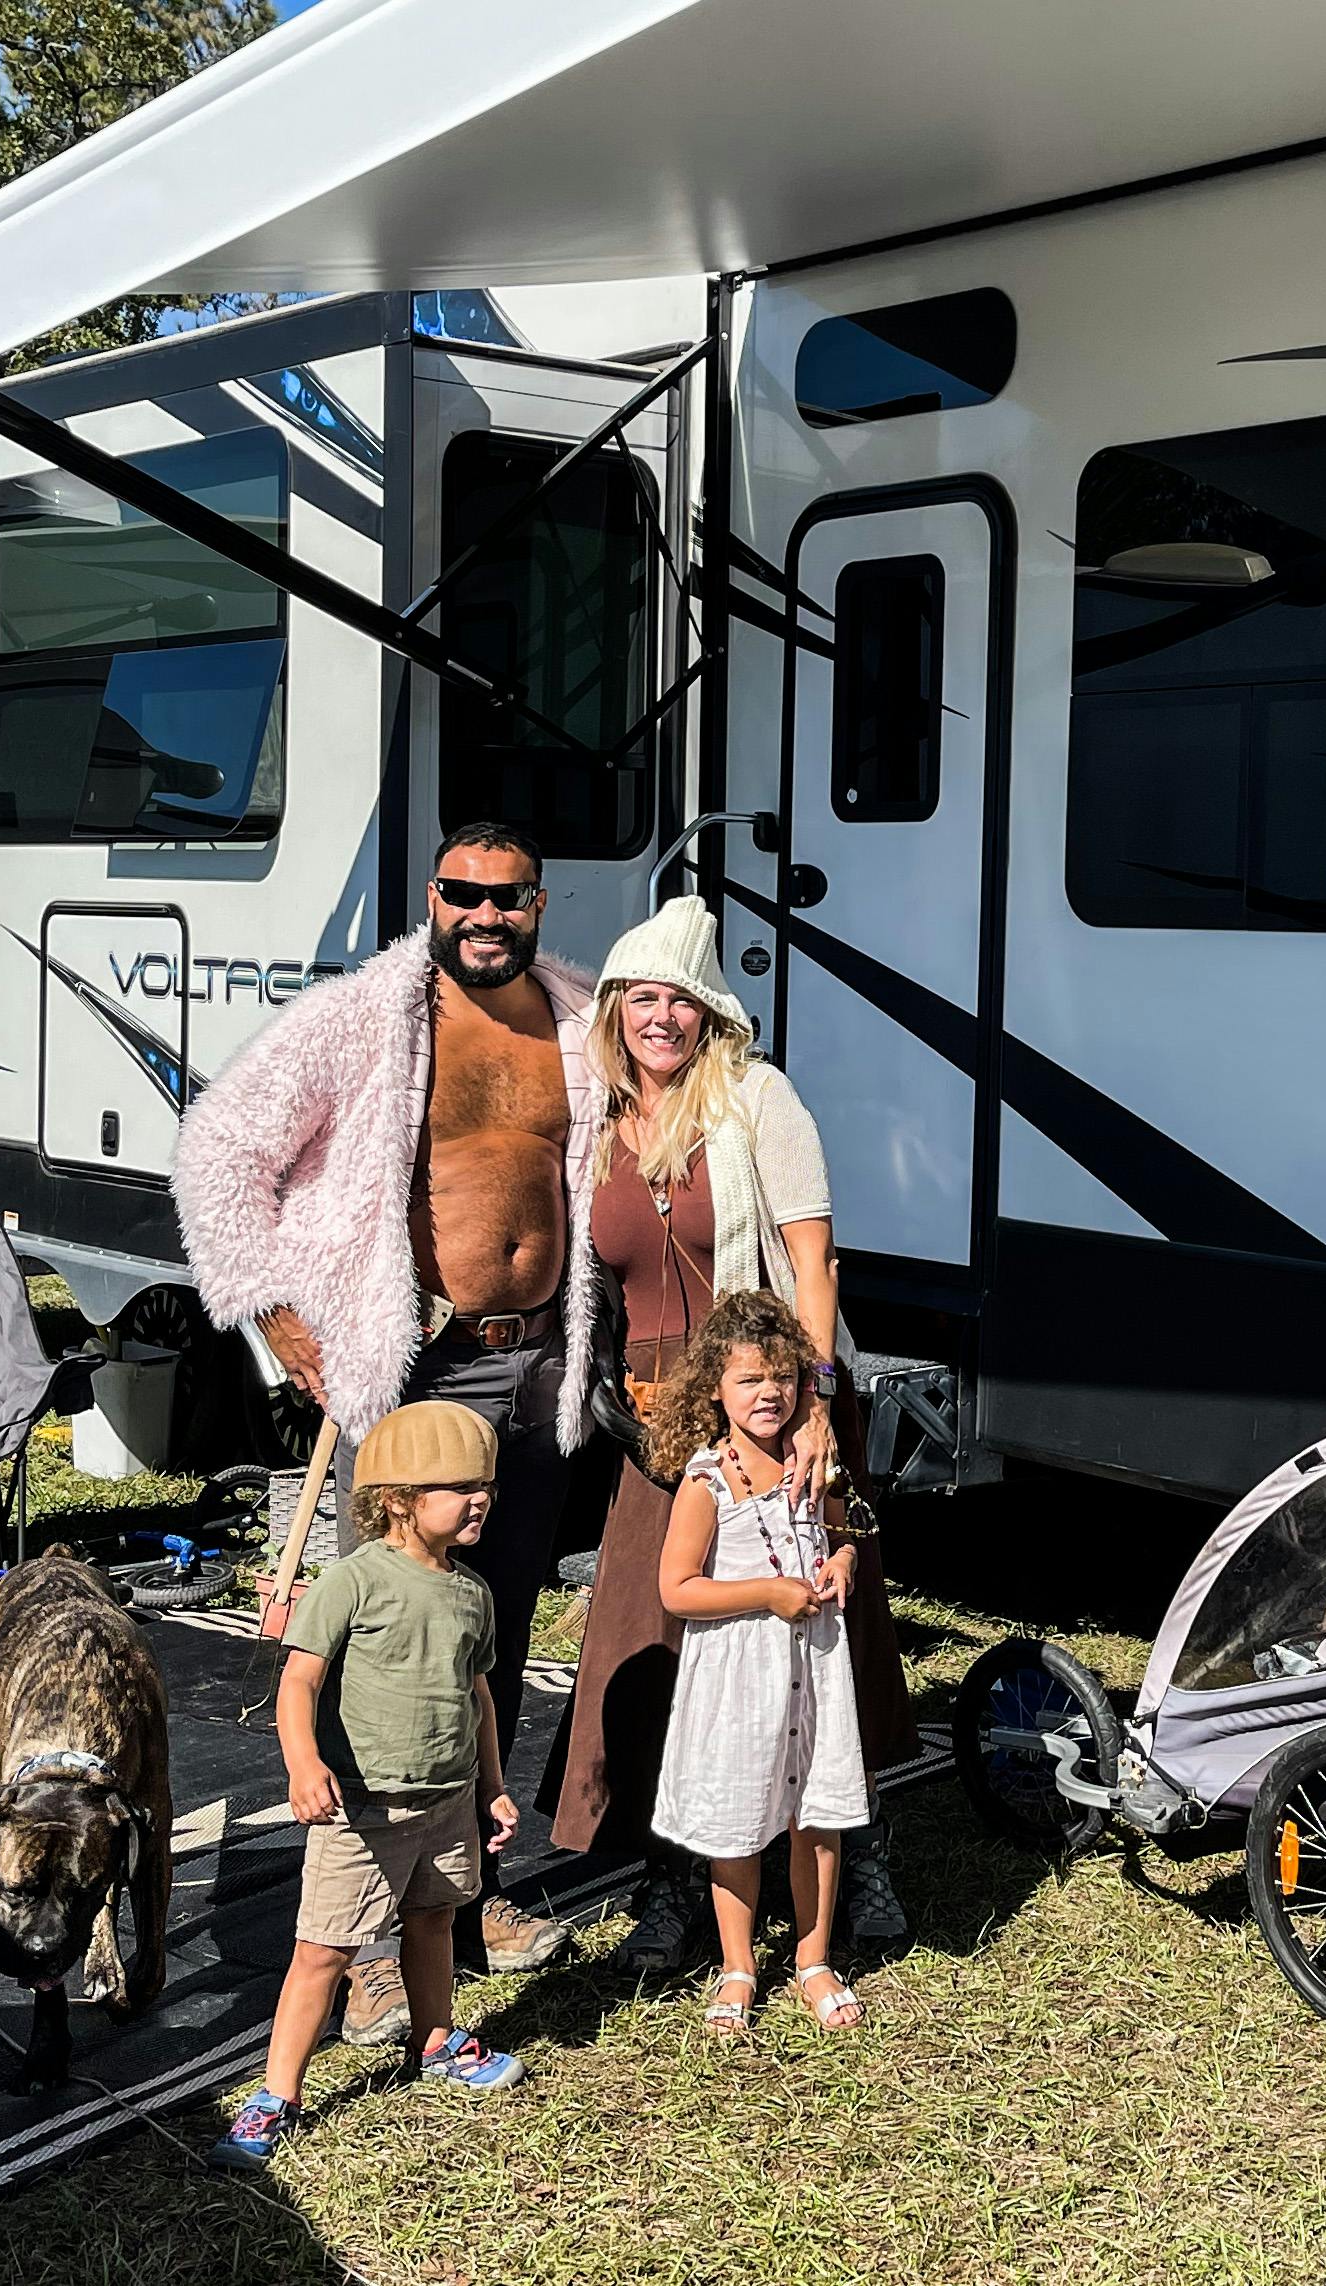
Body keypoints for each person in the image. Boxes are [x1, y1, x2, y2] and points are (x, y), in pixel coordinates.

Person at [173, 822, 600, 2042]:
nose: (484, 915)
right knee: (383, 1650)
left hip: (539, 1371)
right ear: (432, 897)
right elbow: (220, 1149)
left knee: (490, 1638)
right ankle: (357, 1936)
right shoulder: (369, 1016)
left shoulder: (575, 1018)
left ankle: (469, 1896)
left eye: (506, 897)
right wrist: (274, 1314)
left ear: (537, 902)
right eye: (462, 894)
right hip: (422, 1372)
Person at [539, 894, 915, 1973]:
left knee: (827, 1636)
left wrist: (812, 1407)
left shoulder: (757, 1099)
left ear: (711, 1014)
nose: (661, 1019)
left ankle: (859, 1849)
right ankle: (680, 1879)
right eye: (641, 998)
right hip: (660, 1415)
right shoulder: (598, 1123)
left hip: (771, 1387)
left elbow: (813, 1266)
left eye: (681, 1001)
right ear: (614, 1010)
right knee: (658, 1638)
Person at [211, 1403, 529, 2170]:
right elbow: (299, 1683)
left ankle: (435, 2039)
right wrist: (302, 1763)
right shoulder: (351, 1582)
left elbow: (478, 1695)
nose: (479, 1498)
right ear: (395, 1500)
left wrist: (492, 1784)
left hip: (448, 1801)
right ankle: (276, 2095)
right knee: (322, 1952)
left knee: (434, 1921)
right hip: (364, 1807)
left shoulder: (471, 1593)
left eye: (483, 1484)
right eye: (456, 1486)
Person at [647, 1292, 869, 2035]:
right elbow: (677, 1588)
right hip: (741, 1676)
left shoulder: (815, 1463)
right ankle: (739, 1964)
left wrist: (840, 1561)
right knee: (738, 1821)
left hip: (814, 1666)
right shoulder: (707, 1481)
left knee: (818, 1814)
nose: (768, 1394)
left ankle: (813, 1958)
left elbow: (845, 1534)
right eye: (748, 1380)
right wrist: (767, 1593)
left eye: (782, 1378)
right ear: (715, 1388)